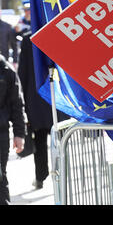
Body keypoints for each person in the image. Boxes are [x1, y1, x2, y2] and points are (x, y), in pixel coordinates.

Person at [18, 31, 69, 189]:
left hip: (39, 98)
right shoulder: (58, 34)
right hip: (54, 99)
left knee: (41, 141)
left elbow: (23, 73)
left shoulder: (29, 39)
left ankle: (41, 176)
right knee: (58, 140)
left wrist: (24, 102)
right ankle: (59, 175)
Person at [0, 53, 26, 205]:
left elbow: (17, 104)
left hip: (1, 134)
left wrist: (19, 134)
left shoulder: (6, 70)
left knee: (0, 179)